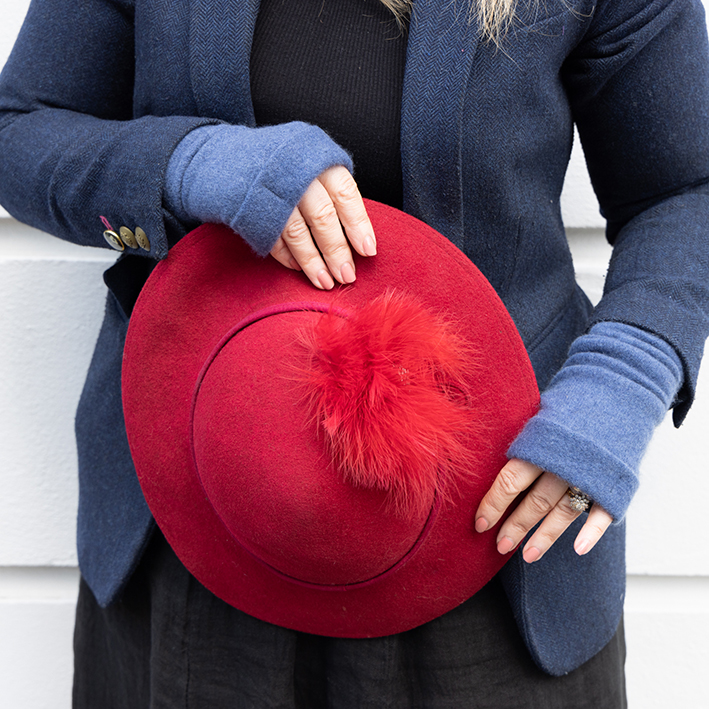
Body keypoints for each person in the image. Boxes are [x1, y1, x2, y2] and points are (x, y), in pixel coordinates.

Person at [0, 0, 707, 706]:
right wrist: (186, 162)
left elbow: (684, 189)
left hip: (499, 530)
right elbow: (19, 130)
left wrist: (624, 376)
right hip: (197, 528)